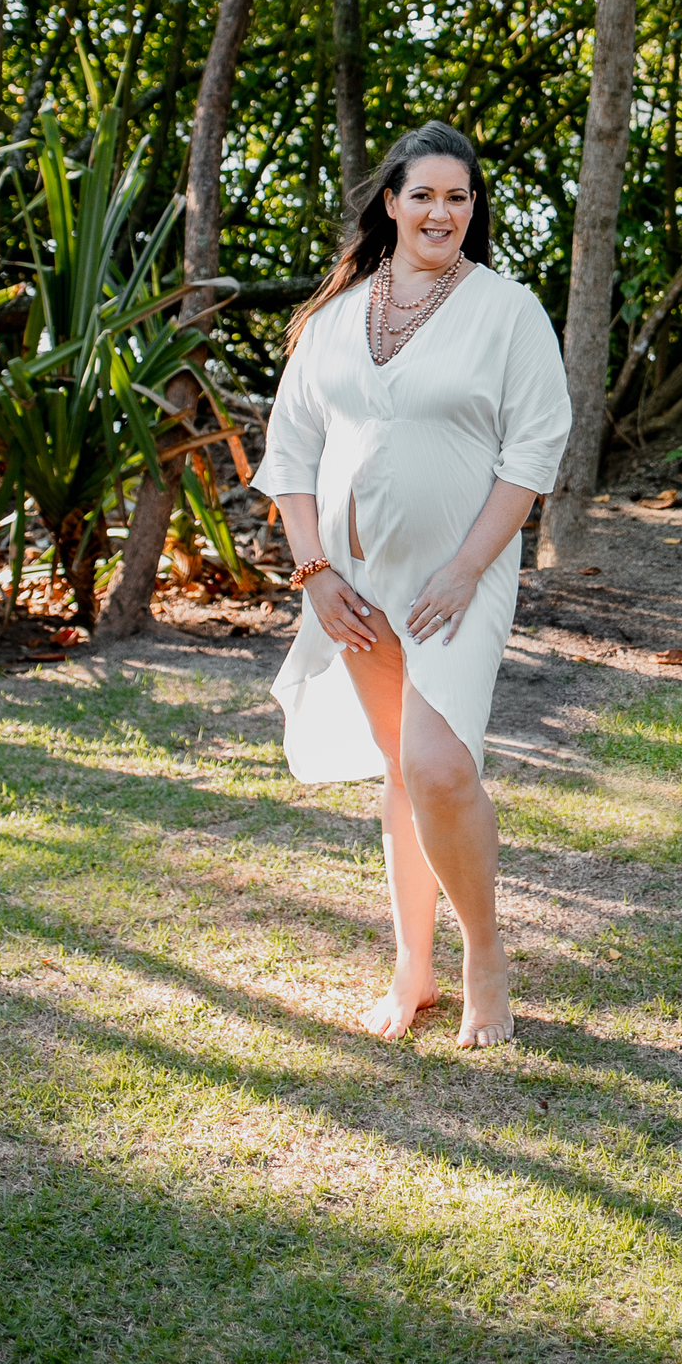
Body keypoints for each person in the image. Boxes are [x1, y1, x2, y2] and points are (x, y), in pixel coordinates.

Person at [250, 121, 571, 1047]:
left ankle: (485, 957)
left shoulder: (508, 311)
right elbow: (291, 454)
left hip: (457, 579)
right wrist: (313, 574)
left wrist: (467, 570)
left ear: (474, 209)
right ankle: (412, 965)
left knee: (438, 766)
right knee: (399, 770)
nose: (441, 212)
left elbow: (535, 452)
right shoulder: (335, 318)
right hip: (352, 580)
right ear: (390, 202)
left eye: (458, 197)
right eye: (423, 194)